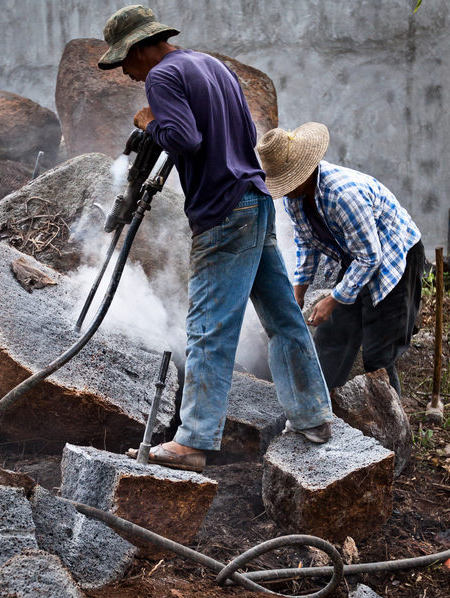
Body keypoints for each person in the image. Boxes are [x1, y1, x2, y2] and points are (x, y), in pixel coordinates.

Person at [98, 6, 333, 472]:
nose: (125, 72)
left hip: (223, 212)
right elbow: (240, 133)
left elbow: (183, 139)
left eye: (125, 59)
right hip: (255, 199)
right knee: (284, 315)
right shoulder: (210, 65)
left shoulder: (162, 77)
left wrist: (148, 124)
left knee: (208, 325)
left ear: (145, 46)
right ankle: (313, 416)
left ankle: (194, 441)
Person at [256, 123, 425, 397]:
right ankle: (321, 410)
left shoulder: (342, 195)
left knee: (378, 354)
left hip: (395, 255)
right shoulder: (295, 198)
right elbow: (305, 244)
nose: (284, 190)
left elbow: (371, 258)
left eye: (287, 181)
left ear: (304, 172)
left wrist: (333, 299)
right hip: (357, 254)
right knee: (332, 341)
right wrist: (297, 292)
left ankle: (388, 425)